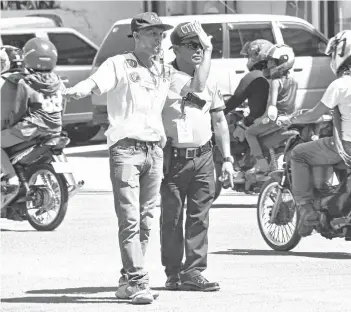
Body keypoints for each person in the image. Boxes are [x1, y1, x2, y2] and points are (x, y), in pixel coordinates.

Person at [64, 13, 213, 305]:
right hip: (125, 150)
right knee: (130, 218)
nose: (158, 39)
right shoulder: (119, 64)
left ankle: (128, 278)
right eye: (152, 34)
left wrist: (206, 49)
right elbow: (93, 84)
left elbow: (197, 87)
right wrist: (71, 91)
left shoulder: (164, 71)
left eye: (160, 34)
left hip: (154, 151)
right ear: (136, 36)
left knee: (145, 220)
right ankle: (137, 280)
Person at [276, 30, 351, 237]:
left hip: (347, 147)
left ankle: (306, 209)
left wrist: (291, 119)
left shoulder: (341, 84)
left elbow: (313, 115)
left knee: (299, 153)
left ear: (341, 52)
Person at [160, 21, 234, 292]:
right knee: (172, 218)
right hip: (174, 158)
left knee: (199, 217)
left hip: (203, 156)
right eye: (192, 45)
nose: (199, 50)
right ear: (176, 49)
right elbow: (197, 87)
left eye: (201, 45)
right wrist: (212, 48)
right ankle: (173, 272)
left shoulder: (209, 77)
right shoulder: (165, 75)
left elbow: (219, 120)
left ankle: (193, 272)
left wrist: (227, 158)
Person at [1, 38, 66, 210]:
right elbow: (62, 107)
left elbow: (17, 110)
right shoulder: (57, 81)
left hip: (31, 129)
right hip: (55, 129)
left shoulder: (25, 82)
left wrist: (8, 126)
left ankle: (11, 178)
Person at [243, 43, 297, 173]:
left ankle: (261, 164)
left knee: (249, 132)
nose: (268, 64)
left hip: (275, 119)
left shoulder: (275, 81)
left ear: (282, 61)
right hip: (289, 118)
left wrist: (262, 119)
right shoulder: (293, 80)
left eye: (272, 61)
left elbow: (272, 106)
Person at [224, 39, 273, 138]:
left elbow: (234, 101)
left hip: (254, 121)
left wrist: (219, 111)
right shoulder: (277, 75)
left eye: (249, 56)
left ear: (255, 55)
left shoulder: (252, 76)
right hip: (274, 120)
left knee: (229, 134)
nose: (248, 59)